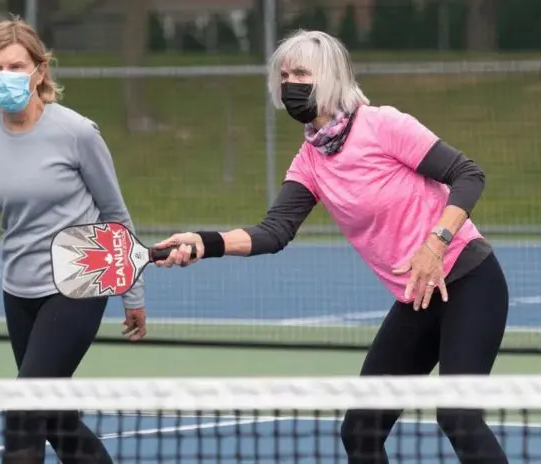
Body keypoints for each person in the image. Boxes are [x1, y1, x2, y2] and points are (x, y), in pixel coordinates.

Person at [153, 30, 509, 464]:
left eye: (301, 72)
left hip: (470, 282)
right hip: (417, 297)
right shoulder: (310, 162)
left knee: (458, 417)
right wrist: (203, 243)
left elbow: (469, 175)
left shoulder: (382, 125)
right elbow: (274, 231)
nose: (290, 83)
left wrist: (435, 244)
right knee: (360, 430)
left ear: (330, 77)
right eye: (284, 75)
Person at [0, 17, 145, 464]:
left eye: (15, 66)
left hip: (83, 281)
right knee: (57, 420)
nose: (4, 76)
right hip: (20, 290)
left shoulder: (77, 132)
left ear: (40, 71)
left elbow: (115, 215)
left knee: (24, 409)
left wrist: (133, 294)